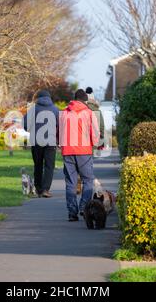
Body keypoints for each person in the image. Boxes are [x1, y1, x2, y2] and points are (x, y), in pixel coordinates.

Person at [59, 89, 100, 221]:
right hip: (84, 151)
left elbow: (58, 131)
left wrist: (60, 144)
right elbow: (94, 132)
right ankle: (83, 207)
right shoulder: (88, 113)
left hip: (68, 150)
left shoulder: (64, 112)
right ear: (85, 100)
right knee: (87, 180)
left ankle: (72, 213)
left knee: (71, 182)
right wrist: (95, 144)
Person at [24, 89, 59, 198]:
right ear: (49, 98)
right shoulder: (55, 109)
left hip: (36, 142)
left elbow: (25, 126)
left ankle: (38, 188)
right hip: (50, 142)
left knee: (38, 165)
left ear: (38, 98)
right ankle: (45, 190)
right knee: (49, 166)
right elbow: (59, 124)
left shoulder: (33, 109)